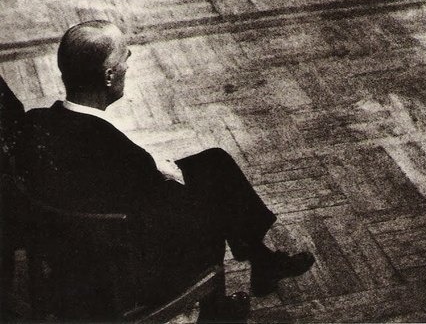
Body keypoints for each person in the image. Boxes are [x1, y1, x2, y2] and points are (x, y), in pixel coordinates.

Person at [15, 21, 315, 322]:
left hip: (78, 236)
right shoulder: (122, 154)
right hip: (122, 262)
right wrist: (168, 174)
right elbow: (171, 207)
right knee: (215, 202)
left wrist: (153, 166)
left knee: (214, 162)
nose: (128, 65)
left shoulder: (36, 121)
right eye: (125, 59)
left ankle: (261, 261)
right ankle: (215, 310)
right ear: (109, 75)